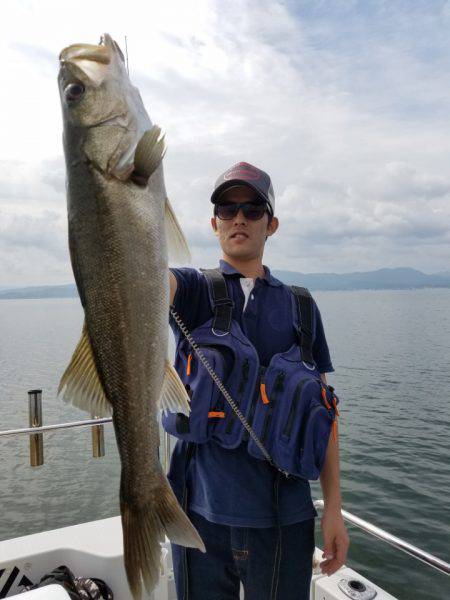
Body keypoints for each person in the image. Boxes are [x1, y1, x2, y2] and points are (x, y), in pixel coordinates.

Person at [167, 161, 349, 599]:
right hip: (197, 514)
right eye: (227, 210)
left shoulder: (301, 308)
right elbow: (142, 282)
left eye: (252, 209)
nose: (239, 219)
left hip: (284, 520)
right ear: (214, 224)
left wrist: (335, 510)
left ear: (272, 224)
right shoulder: (190, 290)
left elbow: (324, 413)